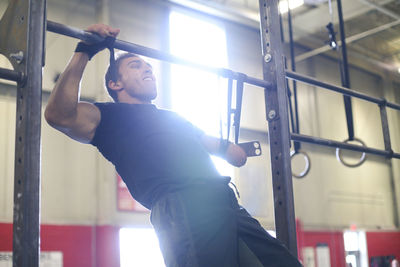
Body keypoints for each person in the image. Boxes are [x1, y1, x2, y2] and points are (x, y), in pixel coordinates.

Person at [45, 23, 303, 267]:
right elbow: (59, 115)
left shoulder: (174, 117)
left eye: (148, 66)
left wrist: (230, 149)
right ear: (115, 84)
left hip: (224, 200)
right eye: (136, 66)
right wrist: (85, 51)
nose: (148, 70)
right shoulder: (109, 117)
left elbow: (224, 150)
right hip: (182, 208)